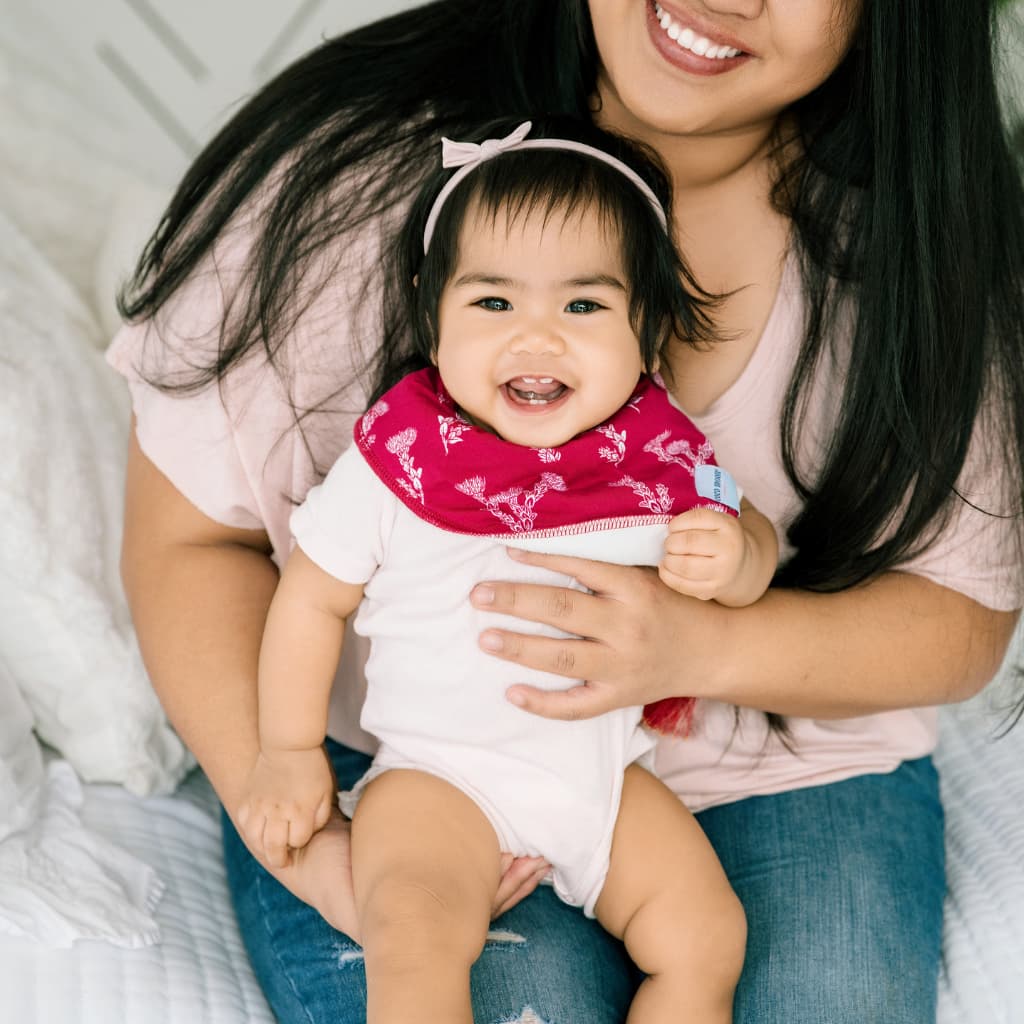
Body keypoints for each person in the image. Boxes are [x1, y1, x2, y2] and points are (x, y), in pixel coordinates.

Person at [109, 2, 1024, 1022]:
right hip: (421, 759)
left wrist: (699, 641)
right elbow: (192, 541)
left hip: (750, 765)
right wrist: (294, 820)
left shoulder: (920, 252)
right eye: (492, 302)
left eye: (587, 306)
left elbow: (955, 615)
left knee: (734, 959)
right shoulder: (361, 192)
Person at [235, 120, 777, 1023]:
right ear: (431, 311)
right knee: (410, 932)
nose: (537, 339)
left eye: (583, 307)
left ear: (647, 328)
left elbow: (746, 542)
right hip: (441, 778)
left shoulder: (657, 458)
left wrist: (736, 555)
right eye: (493, 304)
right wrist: (287, 753)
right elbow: (310, 600)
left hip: (601, 788)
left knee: (707, 936)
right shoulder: (398, 459)